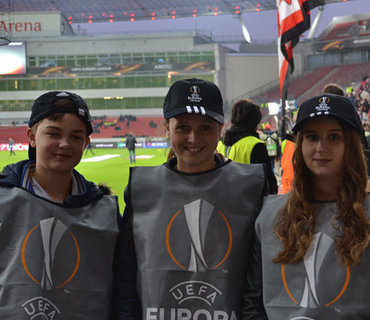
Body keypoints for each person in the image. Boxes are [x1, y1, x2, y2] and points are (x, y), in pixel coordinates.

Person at [241, 93, 370, 318]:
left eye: (334, 137)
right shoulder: (268, 216)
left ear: (350, 144)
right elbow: (252, 303)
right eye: (312, 137)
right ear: (300, 143)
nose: (321, 147)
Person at [0, 91, 119, 319]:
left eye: (76, 137)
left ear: (86, 143)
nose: (65, 144)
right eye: (54, 133)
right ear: (31, 136)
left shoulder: (105, 209)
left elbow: (120, 288)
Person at [113, 78, 270, 319]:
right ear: (168, 128)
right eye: (183, 128)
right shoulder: (141, 188)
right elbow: (125, 278)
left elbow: (258, 281)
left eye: (205, 128)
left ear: (220, 129)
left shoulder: (252, 186)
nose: (193, 139)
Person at [216, 99, 277, 194]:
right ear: (256, 121)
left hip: (223, 201)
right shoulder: (256, 145)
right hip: (249, 203)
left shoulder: (220, 144)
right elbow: (269, 184)